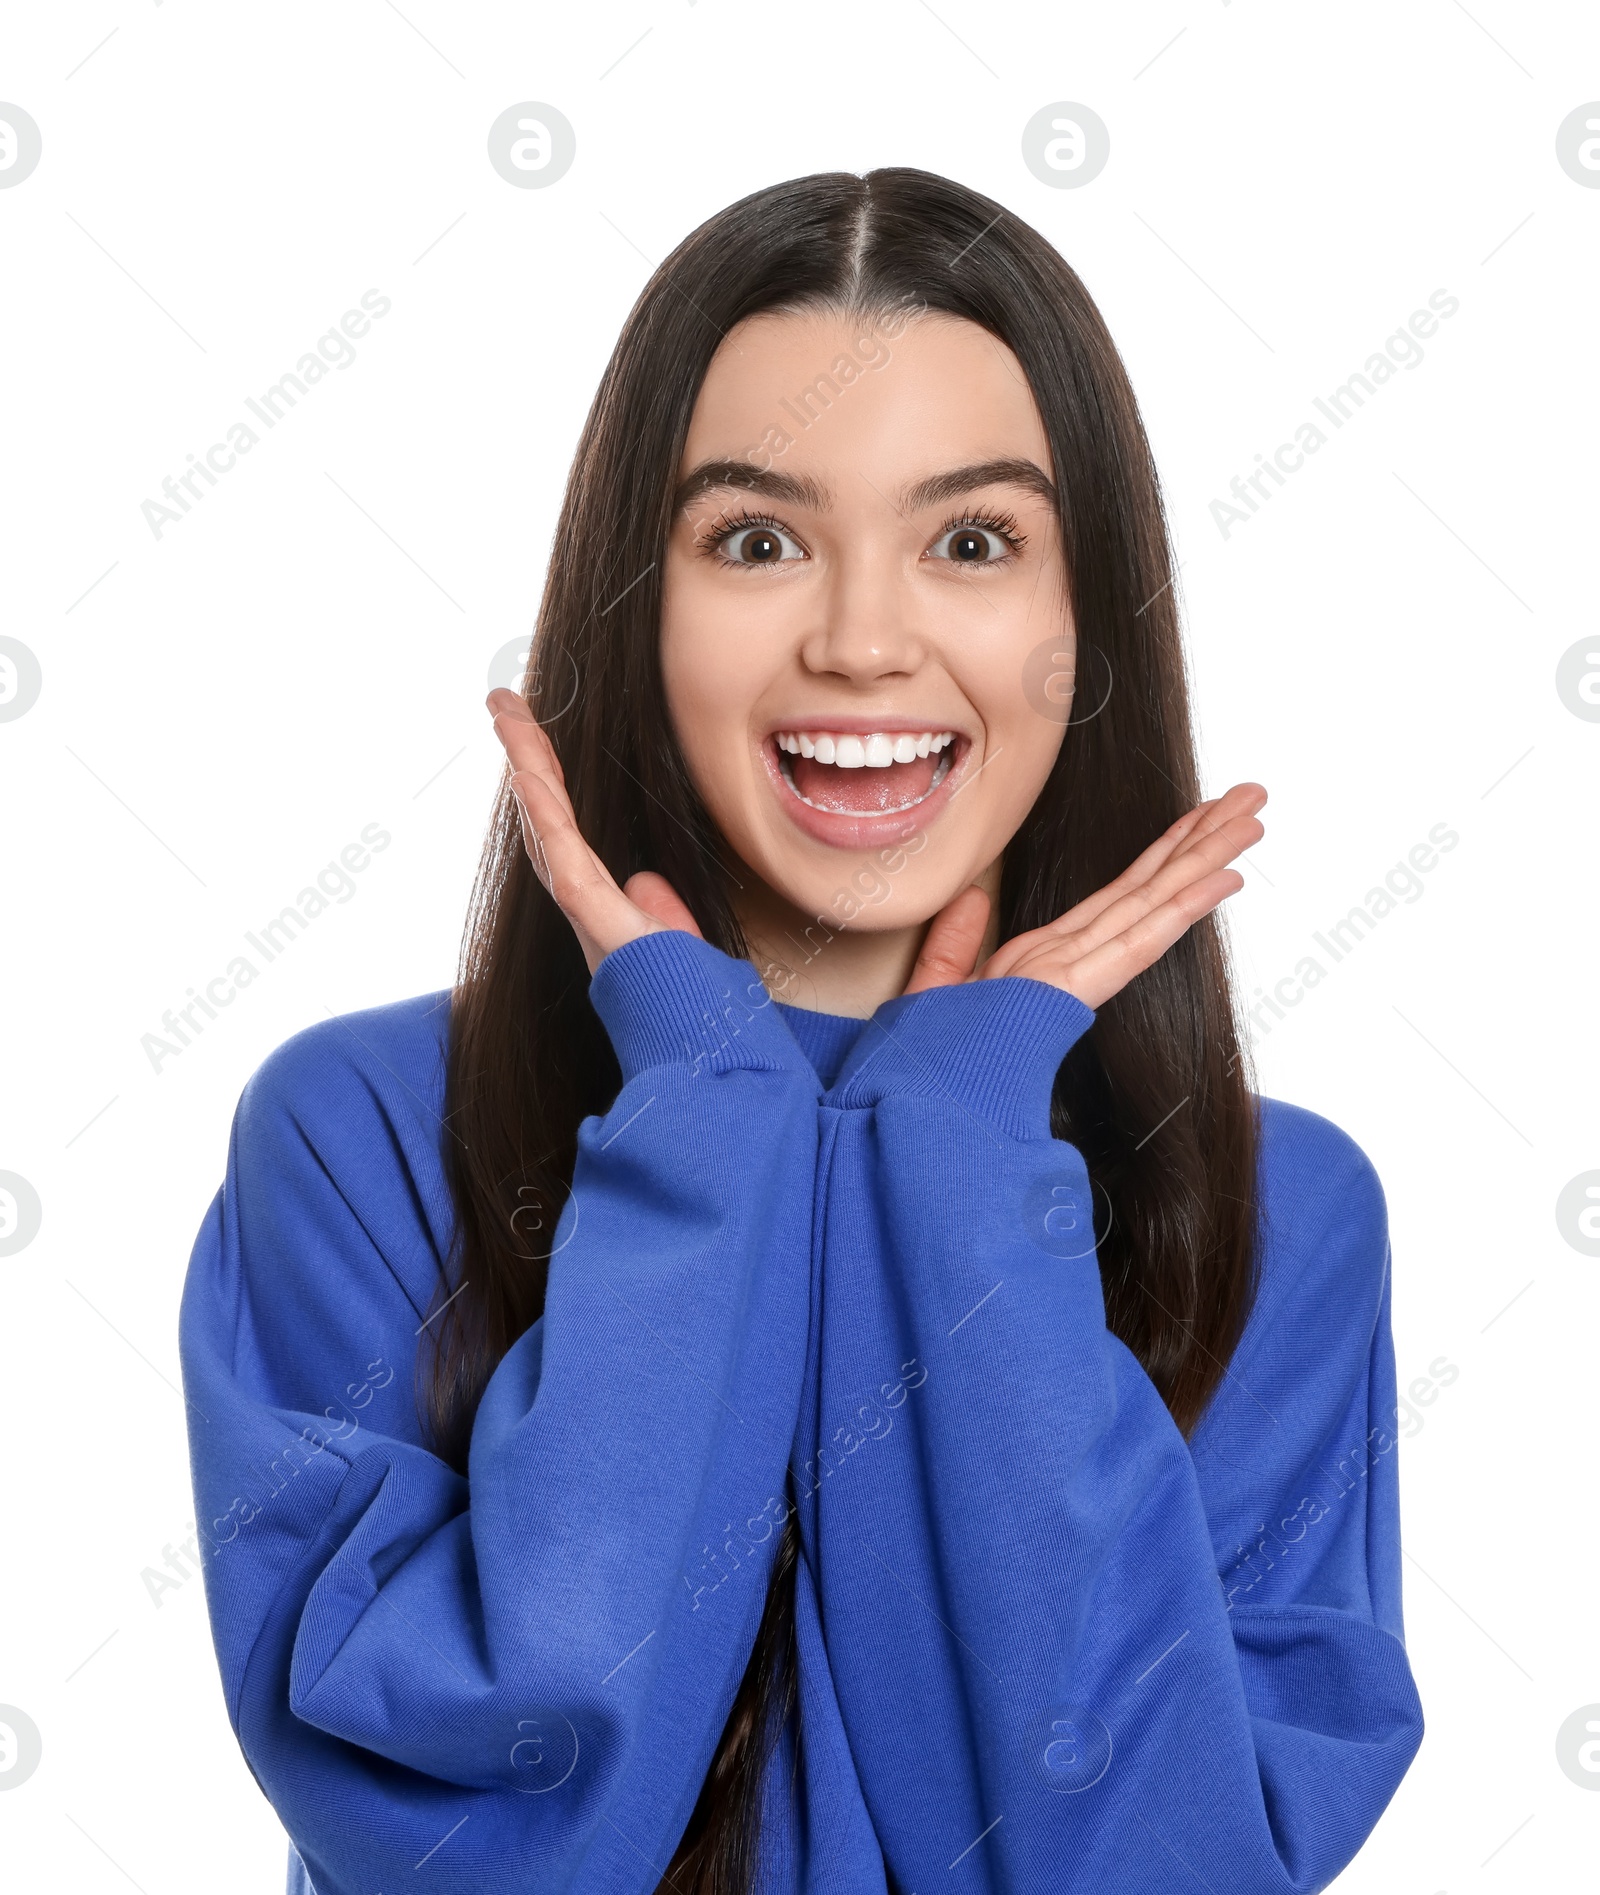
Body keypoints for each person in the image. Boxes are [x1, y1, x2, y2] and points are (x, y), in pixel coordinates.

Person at [179, 168, 1424, 1895]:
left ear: (1091, 619)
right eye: (756, 540)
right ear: (639, 601)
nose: (858, 640)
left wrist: (958, 1147)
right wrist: (705, 1119)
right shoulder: (362, 1134)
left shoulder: (1281, 1213)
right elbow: (485, 1848)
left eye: (972, 541)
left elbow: (1160, 1866)